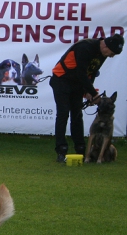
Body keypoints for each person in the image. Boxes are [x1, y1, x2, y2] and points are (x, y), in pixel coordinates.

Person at [50, 33, 123, 162]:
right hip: (62, 79)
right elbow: (81, 72)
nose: (111, 56)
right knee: (63, 114)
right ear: (106, 46)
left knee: (77, 115)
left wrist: (88, 92)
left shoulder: (102, 54)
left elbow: (92, 72)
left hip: (77, 83)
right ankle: (61, 150)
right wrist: (94, 94)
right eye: (112, 53)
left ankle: (81, 149)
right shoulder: (85, 47)